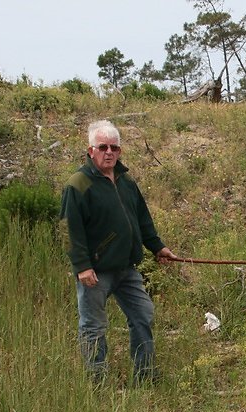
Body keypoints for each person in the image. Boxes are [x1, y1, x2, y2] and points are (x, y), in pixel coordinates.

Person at [60, 119, 178, 383]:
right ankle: (97, 383)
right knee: (93, 328)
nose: (109, 152)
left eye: (114, 147)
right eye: (103, 147)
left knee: (143, 315)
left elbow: (143, 220)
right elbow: (69, 231)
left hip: (127, 268)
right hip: (96, 271)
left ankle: (145, 376)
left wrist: (158, 247)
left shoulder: (126, 182)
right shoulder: (77, 184)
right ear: (91, 151)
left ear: (120, 151)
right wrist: (82, 266)